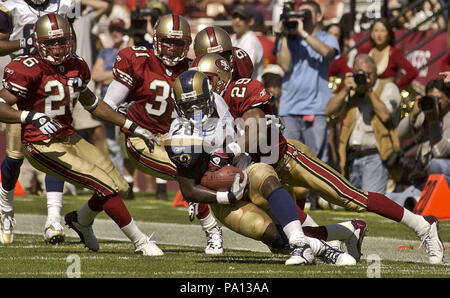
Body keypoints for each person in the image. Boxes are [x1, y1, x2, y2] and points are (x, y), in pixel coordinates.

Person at [193, 53, 444, 265]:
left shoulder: (240, 89)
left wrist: (230, 151)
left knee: (348, 196)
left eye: (208, 80)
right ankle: (349, 230)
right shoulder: (204, 106)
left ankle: (423, 225)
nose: (202, 86)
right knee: (281, 238)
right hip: (258, 175)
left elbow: (256, 126)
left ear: (223, 76)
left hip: (287, 160)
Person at [0, 13, 163, 256]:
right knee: (105, 186)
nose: (57, 49)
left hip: (70, 136)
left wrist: (131, 125)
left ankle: (81, 220)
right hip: (41, 143)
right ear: (38, 43)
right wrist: (29, 116)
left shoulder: (77, 65)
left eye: (62, 41)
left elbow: (93, 104)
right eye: (51, 43)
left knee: (118, 185)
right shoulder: (26, 68)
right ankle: (140, 241)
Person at [167, 69, 358, 266]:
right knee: (269, 235)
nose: (196, 110)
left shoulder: (219, 99)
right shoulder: (180, 137)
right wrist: (225, 197)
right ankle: (324, 246)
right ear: (179, 107)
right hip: (220, 195)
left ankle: (301, 243)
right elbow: (189, 190)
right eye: (188, 106)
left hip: (244, 170)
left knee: (265, 174)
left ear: (209, 95)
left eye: (199, 101)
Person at [102, 14, 224, 255]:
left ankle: (82, 218)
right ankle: (212, 230)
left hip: (175, 136)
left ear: (187, 45)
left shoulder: (192, 68)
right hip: (141, 135)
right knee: (185, 172)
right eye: (167, 41)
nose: (172, 48)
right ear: (156, 39)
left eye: (179, 44)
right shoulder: (136, 59)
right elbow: (107, 105)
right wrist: (132, 125)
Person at [0, 0, 74, 245]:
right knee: (14, 157)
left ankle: (54, 219)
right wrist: (25, 43)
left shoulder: (65, 4)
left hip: (53, 81)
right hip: (22, 81)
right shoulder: (10, 7)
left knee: (55, 150)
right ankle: (6, 209)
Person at [275, 1, 340, 209]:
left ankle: (318, 197)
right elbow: (284, 65)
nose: (302, 17)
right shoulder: (290, 37)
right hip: (289, 107)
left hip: (316, 107)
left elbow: (327, 53)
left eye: (307, 13)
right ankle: (295, 198)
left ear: (319, 16)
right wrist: (285, 34)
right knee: (289, 157)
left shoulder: (326, 37)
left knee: (317, 157)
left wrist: (303, 34)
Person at [326, 54, 402, 194]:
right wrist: (345, 89)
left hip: (376, 155)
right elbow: (329, 110)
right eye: (359, 74)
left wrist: (368, 90)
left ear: (375, 71)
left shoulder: (388, 87)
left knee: (371, 201)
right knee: (350, 204)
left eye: (368, 74)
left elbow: (385, 115)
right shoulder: (352, 91)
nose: (364, 78)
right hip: (351, 157)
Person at [387, 78, 450, 208]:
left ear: (449, 99)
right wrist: (413, 115)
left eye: (438, 99)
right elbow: (401, 134)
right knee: (389, 200)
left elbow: (439, 153)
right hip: (425, 180)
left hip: (444, 176)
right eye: (430, 99)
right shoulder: (425, 114)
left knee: (435, 164)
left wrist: (433, 123)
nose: (434, 103)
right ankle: (418, 200)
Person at [91, 18, 133, 198]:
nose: (115, 33)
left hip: (129, 102)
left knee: (130, 142)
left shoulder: (130, 50)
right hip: (110, 103)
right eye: (113, 30)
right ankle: (120, 182)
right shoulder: (106, 52)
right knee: (113, 144)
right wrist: (116, 75)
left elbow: (133, 74)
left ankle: (128, 181)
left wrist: (110, 77)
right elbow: (95, 74)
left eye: (119, 30)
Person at [360, 18, 418, 91]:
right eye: (376, 30)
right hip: (368, 95)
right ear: (371, 34)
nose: (379, 35)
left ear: (389, 34)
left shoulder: (394, 52)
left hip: (386, 97)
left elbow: (413, 72)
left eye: (382, 31)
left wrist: (396, 88)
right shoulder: (366, 51)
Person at [230, 4, 265, 81]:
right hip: (240, 87)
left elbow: (245, 71)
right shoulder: (233, 38)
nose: (237, 20)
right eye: (234, 16)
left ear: (251, 21)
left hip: (251, 89)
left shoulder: (251, 41)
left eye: (242, 18)